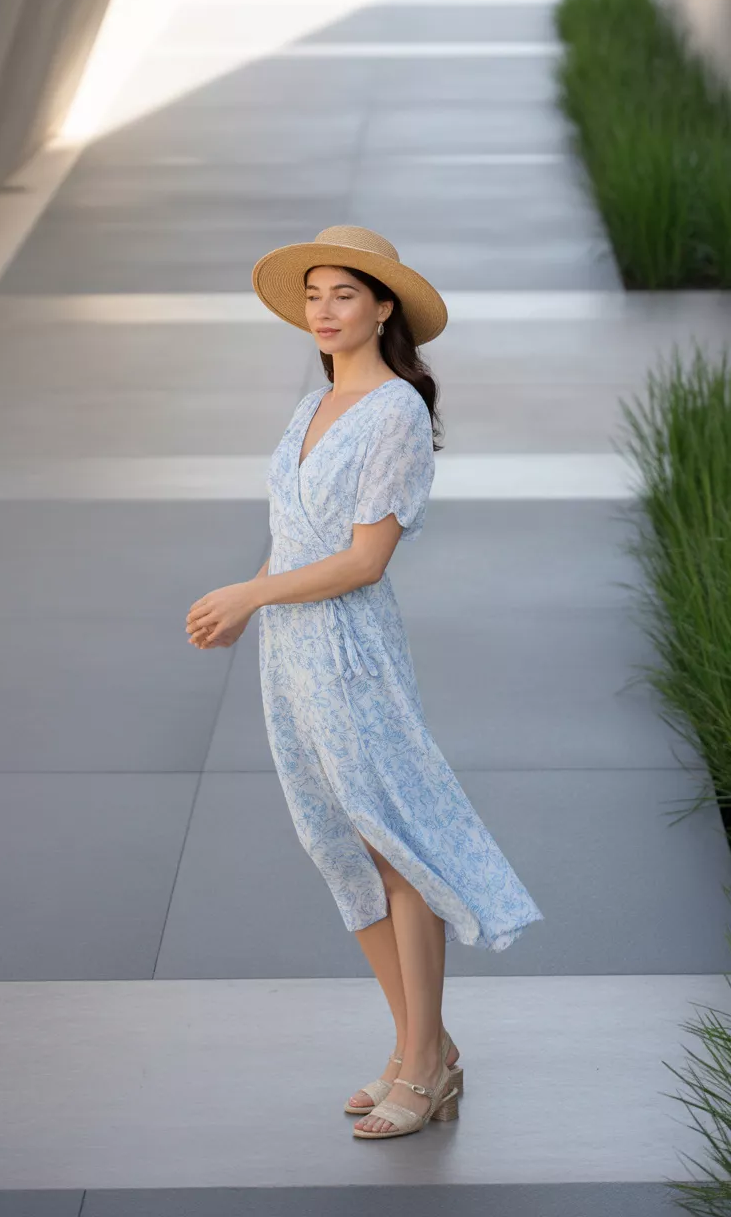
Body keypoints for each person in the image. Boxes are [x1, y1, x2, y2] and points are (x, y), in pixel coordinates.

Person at [185, 225, 544, 1140]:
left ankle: (425, 1063)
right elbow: (297, 532)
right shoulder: (306, 410)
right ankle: (418, 1045)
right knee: (338, 846)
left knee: (391, 844)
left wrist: (251, 594)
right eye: (314, 296)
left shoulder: (393, 413)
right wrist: (250, 613)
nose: (324, 312)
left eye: (343, 295)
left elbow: (364, 563)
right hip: (290, 655)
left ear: (384, 308)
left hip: (350, 649)